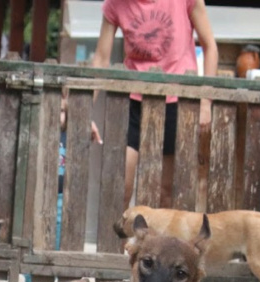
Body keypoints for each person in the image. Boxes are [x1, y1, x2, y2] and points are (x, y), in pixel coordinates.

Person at [91, 0, 218, 209]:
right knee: (121, 185)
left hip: (176, 101)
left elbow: (210, 46)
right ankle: (118, 242)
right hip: (133, 101)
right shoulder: (116, 4)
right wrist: (87, 109)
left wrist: (206, 102)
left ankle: (161, 242)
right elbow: (101, 58)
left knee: (166, 191)